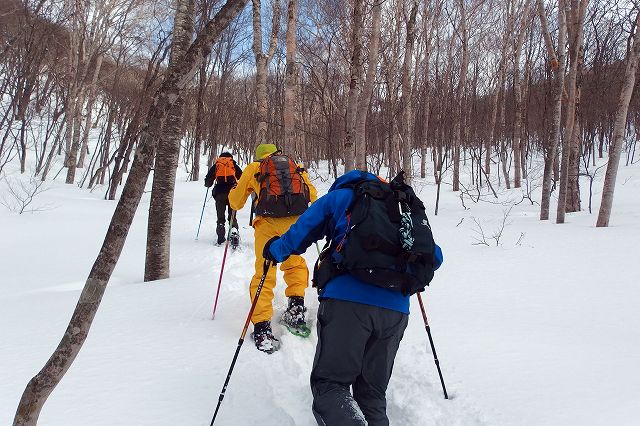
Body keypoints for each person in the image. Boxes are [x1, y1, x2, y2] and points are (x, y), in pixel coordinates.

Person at [263, 169, 443, 426]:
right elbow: (435, 257)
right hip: (396, 310)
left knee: (331, 385)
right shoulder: (403, 206)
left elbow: (300, 233)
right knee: (372, 393)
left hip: (347, 304)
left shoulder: (342, 197)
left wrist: (274, 250)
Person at [228, 143, 318, 353]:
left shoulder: (254, 168)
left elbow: (235, 202)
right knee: (295, 264)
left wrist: (238, 188)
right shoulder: (294, 165)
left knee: (265, 272)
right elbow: (312, 195)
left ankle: (262, 328)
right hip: (296, 224)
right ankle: (296, 308)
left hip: (267, 225)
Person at [205, 152, 243, 246]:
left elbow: (208, 182)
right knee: (232, 215)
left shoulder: (217, 165)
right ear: (230, 158)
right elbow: (242, 178)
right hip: (233, 193)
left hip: (219, 193)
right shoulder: (233, 165)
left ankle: (221, 236)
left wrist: (209, 183)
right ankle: (234, 232)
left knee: (220, 217)